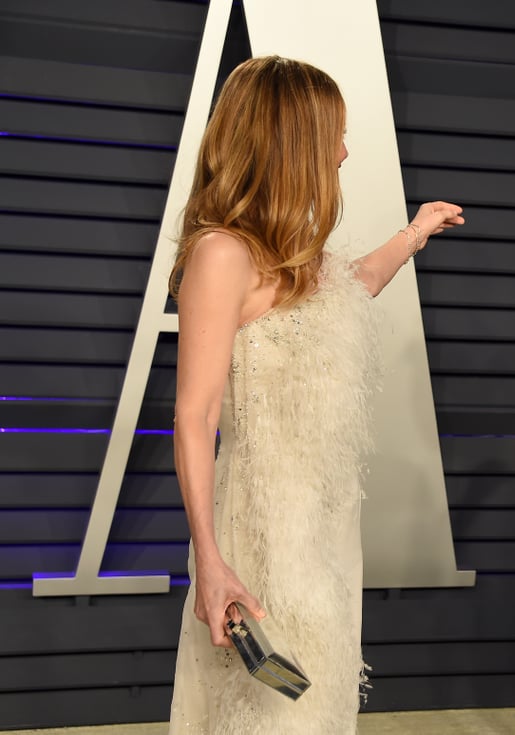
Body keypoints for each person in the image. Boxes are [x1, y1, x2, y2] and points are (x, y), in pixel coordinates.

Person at [166, 55, 464, 735]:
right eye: (334, 134)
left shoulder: (300, 255)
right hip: (259, 536)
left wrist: (414, 235)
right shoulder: (222, 254)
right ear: (292, 139)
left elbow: (349, 288)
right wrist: (209, 558)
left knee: (317, 705)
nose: (345, 150)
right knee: (264, 715)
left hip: (325, 537)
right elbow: (195, 413)